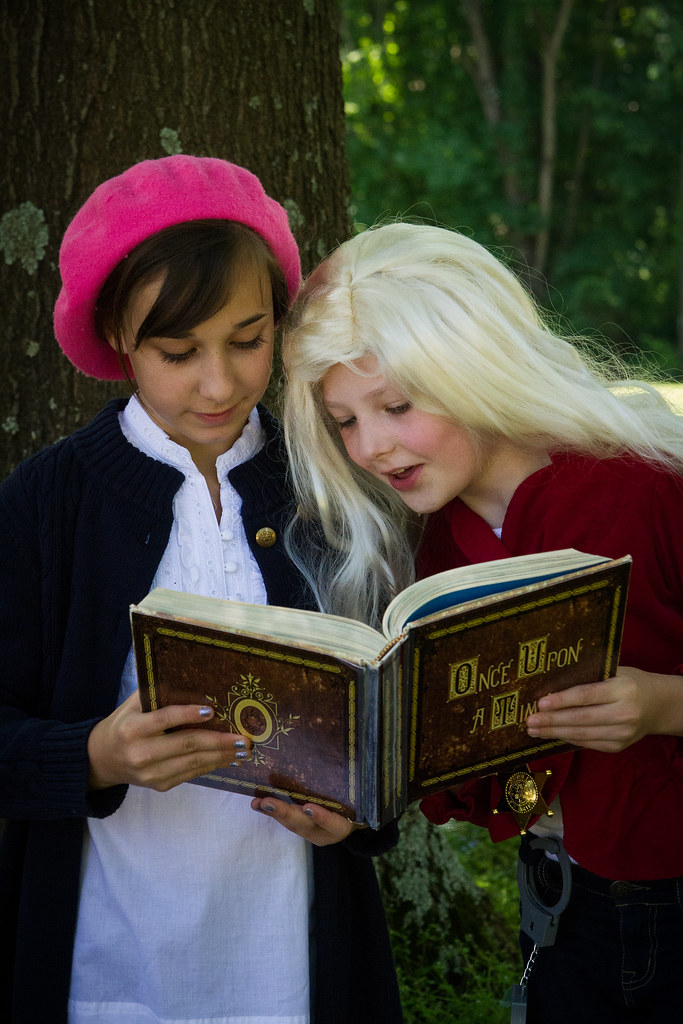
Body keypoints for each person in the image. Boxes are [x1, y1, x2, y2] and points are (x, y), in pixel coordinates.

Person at [0, 156, 403, 1024]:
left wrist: (361, 818)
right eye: (177, 352)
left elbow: (382, 710)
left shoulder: (331, 489)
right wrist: (94, 757)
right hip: (110, 959)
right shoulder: (44, 502)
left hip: (291, 955)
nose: (217, 384)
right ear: (117, 337)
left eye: (248, 339)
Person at [281, 221, 683, 1023]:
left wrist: (662, 703)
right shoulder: (438, 547)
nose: (371, 446)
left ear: (473, 366)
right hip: (563, 906)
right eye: (346, 421)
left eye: (396, 405)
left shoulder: (645, 487)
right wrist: (361, 790)